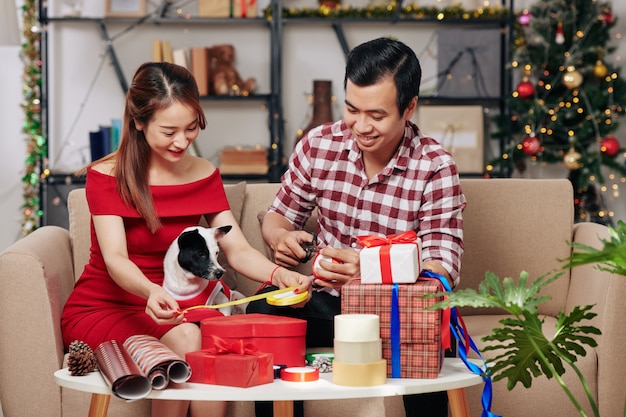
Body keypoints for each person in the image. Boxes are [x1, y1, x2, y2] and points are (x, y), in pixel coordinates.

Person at [61, 61, 312, 417]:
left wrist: (278, 276)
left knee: (218, 340)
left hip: (182, 304)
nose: (182, 141)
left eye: (191, 128)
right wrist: (150, 291)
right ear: (138, 122)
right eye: (169, 132)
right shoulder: (106, 176)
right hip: (111, 303)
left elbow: (236, 248)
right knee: (188, 339)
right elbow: (115, 257)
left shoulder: (204, 174)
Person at [247, 37, 466, 417]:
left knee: (427, 334)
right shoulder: (319, 145)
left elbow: (441, 269)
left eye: (377, 116)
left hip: (396, 313)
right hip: (328, 308)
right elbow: (278, 215)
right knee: (262, 315)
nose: (360, 126)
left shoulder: (435, 166)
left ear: (408, 108)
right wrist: (281, 236)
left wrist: (369, 271)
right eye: (352, 109)